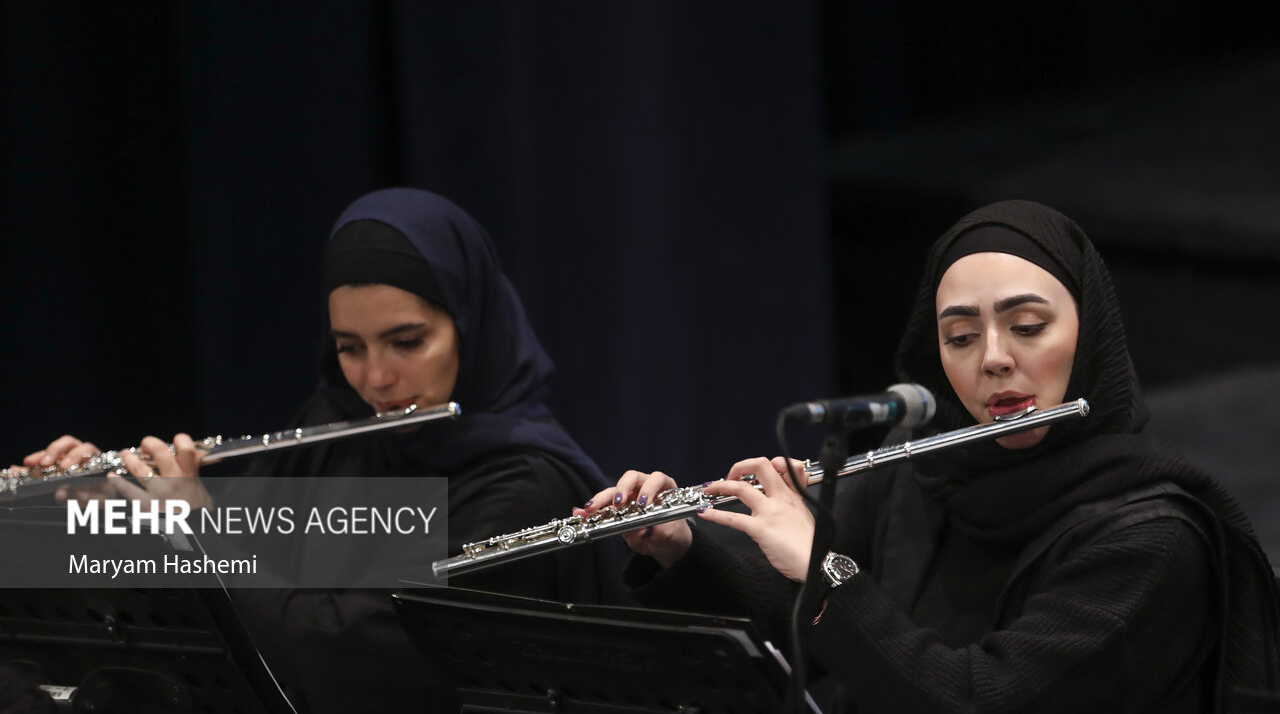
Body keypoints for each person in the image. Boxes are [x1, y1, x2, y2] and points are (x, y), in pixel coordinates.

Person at [584, 200, 1279, 713]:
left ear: (1089, 334)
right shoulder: (916, 476)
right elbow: (790, 622)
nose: (995, 358)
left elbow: (980, 698)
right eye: (960, 336)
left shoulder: (1153, 539)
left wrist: (822, 565)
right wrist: (682, 545)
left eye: (1028, 326)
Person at [23, 187, 623, 712]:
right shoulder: (335, 424)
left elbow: (362, 660)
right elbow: (236, 580)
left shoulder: (521, 483)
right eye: (349, 347)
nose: (376, 380)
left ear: (472, 327)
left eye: (406, 342)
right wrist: (104, 512)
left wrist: (199, 534)